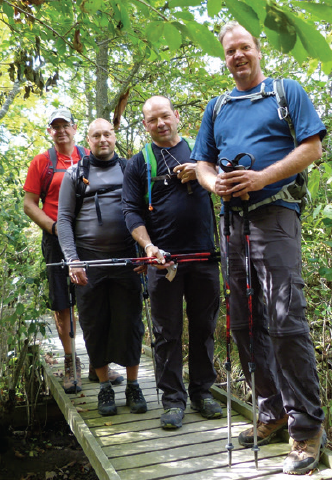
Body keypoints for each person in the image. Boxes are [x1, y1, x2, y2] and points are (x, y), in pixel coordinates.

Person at [194, 21, 327, 475]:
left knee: (286, 320)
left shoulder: (285, 92)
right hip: (233, 221)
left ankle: (306, 428)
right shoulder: (217, 106)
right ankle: (270, 412)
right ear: (224, 57)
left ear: (258, 49)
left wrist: (260, 178)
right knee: (245, 322)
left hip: (276, 215)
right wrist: (217, 186)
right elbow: (201, 163)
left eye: (244, 48)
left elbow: (312, 149)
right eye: (230, 51)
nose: (237, 57)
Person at [122, 96, 221, 430]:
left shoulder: (202, 153)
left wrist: (202, 171)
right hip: (162, 263)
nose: (161, 123)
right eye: (153, 120)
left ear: (177, 117)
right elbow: (131, 210)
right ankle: (173, 400)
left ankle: (203, 393)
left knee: (204, 326)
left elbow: (225, 183)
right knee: (166, 332)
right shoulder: (139, 163)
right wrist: (148, 246)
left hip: (204, 258)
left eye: (165, 116)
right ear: (145, 125)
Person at [23, 107, 123, 394]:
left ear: (75, 128)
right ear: (49, 131)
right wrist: (53, 227)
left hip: (90, 238)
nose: (61, 131)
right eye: (55, 127)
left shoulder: (89, 156)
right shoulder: (42, 162)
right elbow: (29, 204)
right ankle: (71, 363)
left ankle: (98, 362)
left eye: (65, 125)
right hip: (56, 238)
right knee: (62, 301)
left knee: (95, 298)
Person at [56, 118, 147, 416]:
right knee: (95, 324)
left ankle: (133, 385)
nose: (103, 139)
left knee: (130, 321)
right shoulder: (75, 173)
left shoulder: (131, 168)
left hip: (127, 258)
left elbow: (147, 211)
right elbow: (64, 220)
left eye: (107, 134)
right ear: (89, 140)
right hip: (88, 261)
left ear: (114, 135)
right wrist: (73, 259)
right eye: (97, 135)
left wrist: (146, 252)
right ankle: (105, 387)